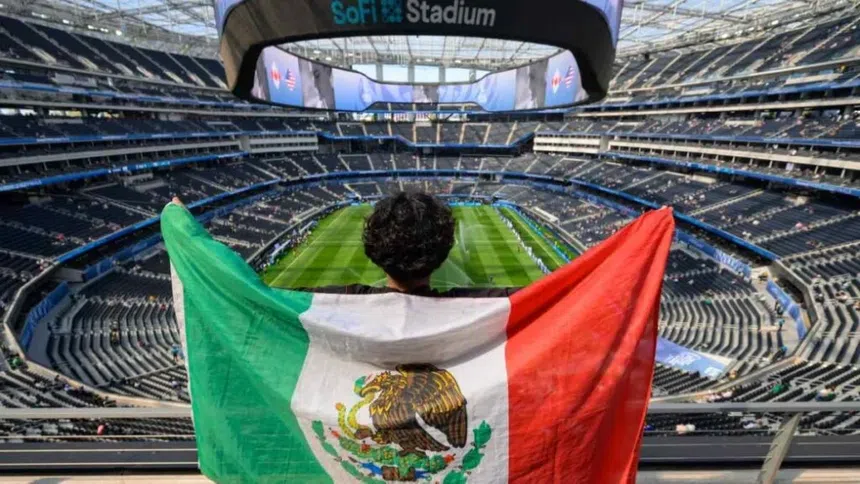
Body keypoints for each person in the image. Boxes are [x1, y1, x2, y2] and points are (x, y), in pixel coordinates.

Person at [305, 192, 519, 297]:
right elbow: (533, 300)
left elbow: (287, 301)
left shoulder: (342, 303)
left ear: (374, 252)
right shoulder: (476, 308)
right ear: (443, 254)